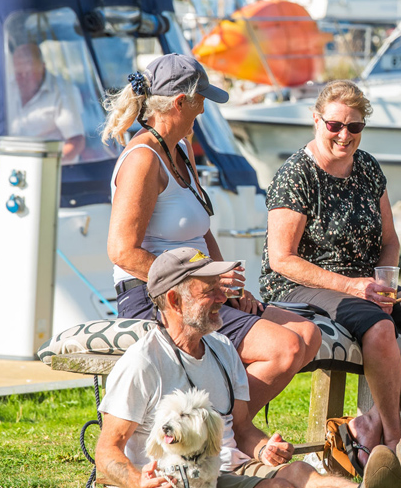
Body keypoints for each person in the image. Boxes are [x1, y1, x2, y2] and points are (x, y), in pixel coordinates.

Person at [96, 247, 401, 488]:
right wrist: (142, 484)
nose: (223, 298)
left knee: (296, 470)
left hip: (228, 463)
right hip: (187, 481)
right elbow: (106, 453)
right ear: (175, 301)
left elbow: (240, 428)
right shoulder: (144, 362)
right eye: (208, 290)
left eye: (219, 288)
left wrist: (264, 448)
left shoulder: (222, 348)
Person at [261, 80, 401, 469]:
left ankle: (369, 422)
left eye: (354, 127)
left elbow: (389, 239)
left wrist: (386, 283)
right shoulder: (297, 175)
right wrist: (351, 286)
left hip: (366, 283)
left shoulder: (368, 168)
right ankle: (393, 438)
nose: (344, 135)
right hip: (301, 285)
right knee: (379, 328)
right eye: (335, 125)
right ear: (316, 120)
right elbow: (282, 259)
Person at [103, 53, 321, 421]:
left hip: (197, 286)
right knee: (283, 349)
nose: (203, 110)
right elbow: (122, 252)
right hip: (155, 296)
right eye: (200, 99)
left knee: (308, 335)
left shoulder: (181, 150)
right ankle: (225, 433)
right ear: (179, 102)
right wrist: (200, 282)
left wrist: (226, 285)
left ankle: (217, 427)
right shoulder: (143, 159)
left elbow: (202, 230)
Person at [8, 43, 86, 163]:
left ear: (42, 67)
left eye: (28, 73)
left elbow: (76, 142)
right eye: (19, 74)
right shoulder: (8, 88)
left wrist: (44, 164)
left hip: (53, 172)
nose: (23, 79)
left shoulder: (64, 92)